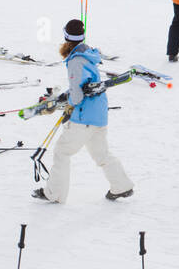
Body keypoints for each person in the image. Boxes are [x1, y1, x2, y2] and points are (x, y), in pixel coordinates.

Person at [32, 19, 134, 203]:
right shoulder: (88, 54)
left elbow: (78, 97)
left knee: (62, 152)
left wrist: (68, 102)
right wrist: (67, 96)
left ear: (65, 37)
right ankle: (122, 186)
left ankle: (53, 193)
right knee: (101, 154)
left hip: (83, 118)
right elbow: (82, 87)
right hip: (98, 115)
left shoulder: (75, 61)